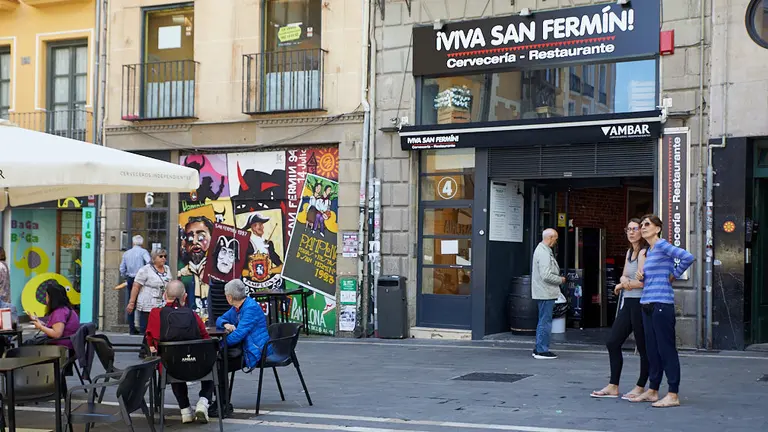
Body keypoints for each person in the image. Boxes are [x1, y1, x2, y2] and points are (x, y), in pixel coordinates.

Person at [631, 214, 694, 408]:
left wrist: (674, 274)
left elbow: (687, 257)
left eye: (647, 224)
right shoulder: (649, 251)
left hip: (661, 304)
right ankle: (653, 390)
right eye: (641, 225)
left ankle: (673, 393)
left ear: (658, 228)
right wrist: (643, 275)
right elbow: (652, 276)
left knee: (666, 349)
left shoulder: (661, 245)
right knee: (652, 350)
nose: (643, 227)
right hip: (647, 303)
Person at [591, 218, 649, 399]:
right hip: (629, 303)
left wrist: (623, 285)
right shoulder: (629, 252)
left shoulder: (644, 252)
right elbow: (624, 275)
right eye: (628, 229)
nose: (631, 232)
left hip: (641, 304)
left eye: (635, 229)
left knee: (643, 347)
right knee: (612, 342)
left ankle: (641, 386)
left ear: (642, 231)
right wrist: (624, 282)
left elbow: (642, 282)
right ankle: (613, 385)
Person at [145, 280, 212, 424]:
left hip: (170, 368)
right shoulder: (193, 315)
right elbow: (205, 338)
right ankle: (203, 401)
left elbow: (150, 341)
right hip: (197, 366)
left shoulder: (155, 314)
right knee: (214, 362)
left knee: (171, 358)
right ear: (185, 297)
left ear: (164, 295)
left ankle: (185, 410)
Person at [216, 279, 271, 369]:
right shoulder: (237, 307)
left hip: (257, 351)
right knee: (218, 362)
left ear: (229, 297)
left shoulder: (250, 308)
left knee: (219, 365)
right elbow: (219, 320)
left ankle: (220, 382)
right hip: (247, 346)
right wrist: (226, 324)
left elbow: (238, 335)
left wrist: (218, 345)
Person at [531, 228, 565, 360]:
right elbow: (546, 275)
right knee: (545, 321)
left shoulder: (543, 250)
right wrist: (560, 280)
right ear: (550, 238)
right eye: (555, 238)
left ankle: (539, 348)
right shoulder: (544, 252)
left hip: (544, 291)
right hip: (545, 292)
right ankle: (541, 350)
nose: (555, 241)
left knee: (543, 320)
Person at [126, 249, 170, 334]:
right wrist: (131, 302)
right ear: (154, 258)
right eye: (161, 256)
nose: (163, 258)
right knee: (147, 330)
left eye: (165, 256)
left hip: (162, 303)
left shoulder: (167, 269)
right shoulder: (145, 270)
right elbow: (136, 286)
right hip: (147, 304)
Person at [30, 280, 80, 349]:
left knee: (27, 346)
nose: (46, 298)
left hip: (62, 347)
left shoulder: (59, 312)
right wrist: (40, 323)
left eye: (47, 296)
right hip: (69, 344)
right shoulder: (66, 309)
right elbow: (57, 326)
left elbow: (57, 334)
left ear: (52, 298)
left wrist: (40, 327)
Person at [119, 235, 151, 335]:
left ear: (133, 243)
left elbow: (122, 269)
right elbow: (149, 263)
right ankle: (142, 329)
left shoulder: (127, 253)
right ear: (142, 243)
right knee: (142, 303)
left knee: (131, 302)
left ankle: (132, 329)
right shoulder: (143, 252)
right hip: (141, 280)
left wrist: (125, 276)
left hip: (130, 279)